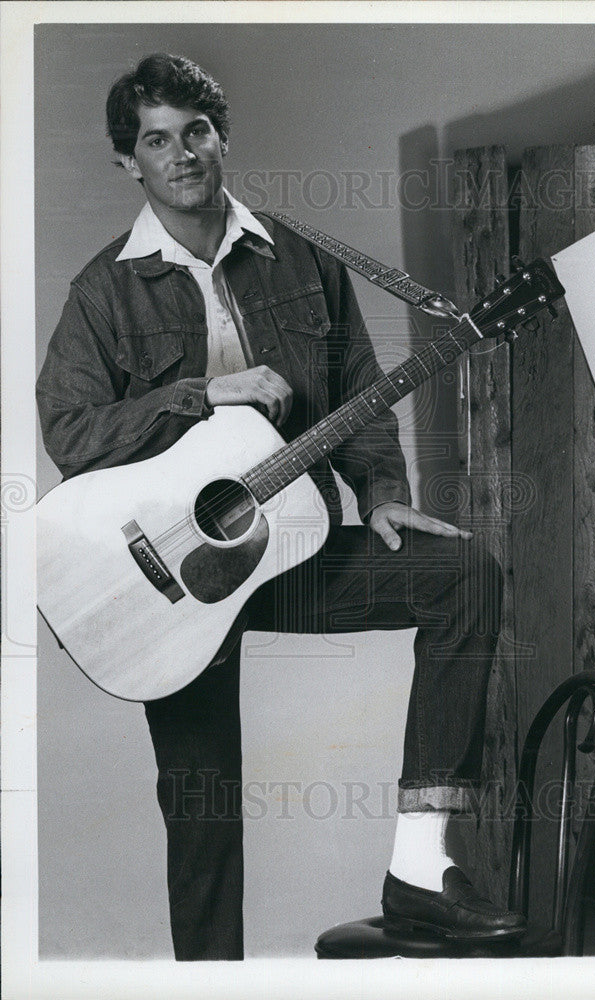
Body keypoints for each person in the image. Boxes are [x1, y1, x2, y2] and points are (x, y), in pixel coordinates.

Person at [36, 53, 525, 960]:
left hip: (285, 551)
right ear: (128, 163)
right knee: (202, 805)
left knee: (462, 573)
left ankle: (419, 869)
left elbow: (356, 390)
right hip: (169, 586)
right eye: (157, 140)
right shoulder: (102, 292)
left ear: (221, 137)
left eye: (196, 131)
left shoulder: (300, 258)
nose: (181, 154)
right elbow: (69, 431)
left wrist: (381, 495)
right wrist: (199, 396)